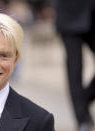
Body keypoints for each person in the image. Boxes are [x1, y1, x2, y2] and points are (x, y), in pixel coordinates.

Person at [55, 0, 95, 131]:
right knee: (75, 70)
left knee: (75, 71)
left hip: (92, 13)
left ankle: (83, 101)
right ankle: (82, 119)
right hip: (69, 15)